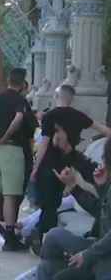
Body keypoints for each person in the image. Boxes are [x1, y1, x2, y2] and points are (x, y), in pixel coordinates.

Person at [30, 85, 111, 248]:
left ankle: (41, 237)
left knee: (48, 204)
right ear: (72, 98)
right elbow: (103, 129)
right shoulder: (78, 116)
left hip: (49, 164)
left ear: (56, 96)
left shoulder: (50, 116)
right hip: (67, 164)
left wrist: (35, 168)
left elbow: (44, 145)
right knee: (55, 202)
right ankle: (45, 236)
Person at [36, 128, 110, 280]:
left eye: (104, 159)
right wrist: (77, 187)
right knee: (49, 255)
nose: (102, 163)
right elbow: (101, 210)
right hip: (99, 248)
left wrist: (87, 255)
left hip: (103, 258)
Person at [0, 68, 30, 251]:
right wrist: (6, 136)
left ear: (8, 80)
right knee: (10, 195)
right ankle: (10, 237)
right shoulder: (20, 100)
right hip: (12, 149)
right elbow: (20, 117)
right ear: (23, 83)